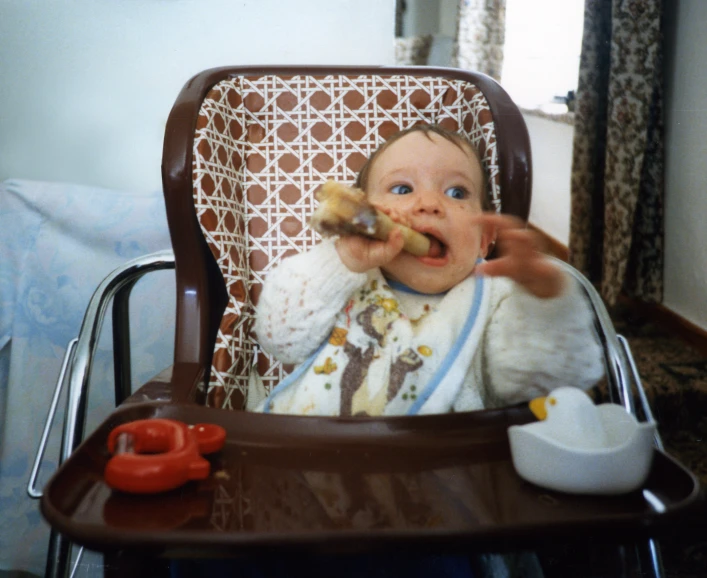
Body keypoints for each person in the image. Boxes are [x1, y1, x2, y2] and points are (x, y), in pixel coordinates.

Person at [252, 123, 604, 416]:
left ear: (485, 239)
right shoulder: (343, 276)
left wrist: (543, 303)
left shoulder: (495, 297)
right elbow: (277, 340)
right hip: (314, 459)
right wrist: (340, 260)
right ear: (365, 213)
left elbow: (549, 385)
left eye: (457, 192)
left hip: (443, 477)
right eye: (402, 188)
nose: (430, 204)